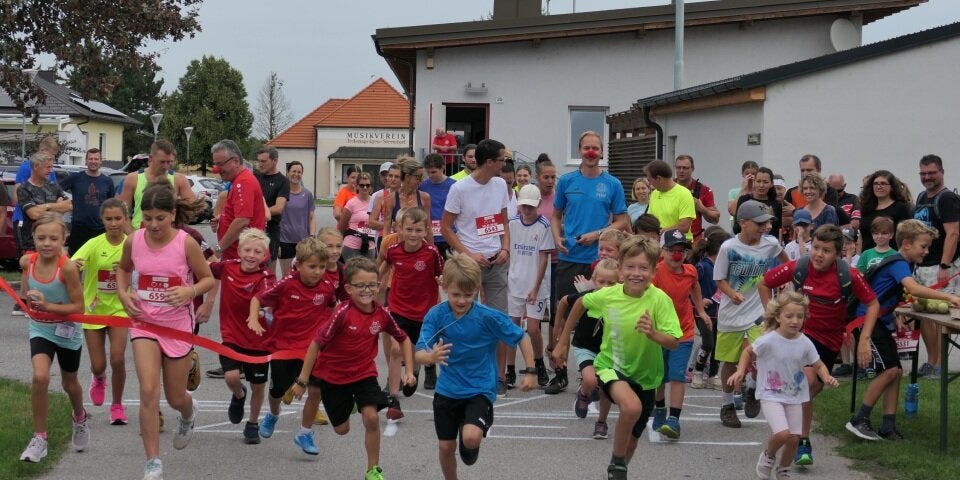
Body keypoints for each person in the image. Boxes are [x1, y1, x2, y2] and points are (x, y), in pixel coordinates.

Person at [116, 183, 214, 480]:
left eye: (160, 217)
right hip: (145, 324)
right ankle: (153, 462)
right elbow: (123, 269)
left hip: (177, 327)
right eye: (147, 218)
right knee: (148, 391)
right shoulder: (134, 240)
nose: (153, 225)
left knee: (174, 397)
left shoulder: (186, 243)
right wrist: (123, 294)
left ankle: (188, 412)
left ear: (173, 214)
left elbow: (208, 278)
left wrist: (190, 291)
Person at [761, 224, 878, 466]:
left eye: (826, 250)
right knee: (808, 382)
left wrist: (864, 338)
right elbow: (764, 283)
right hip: (802, 335)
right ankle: (803, 441)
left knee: (810, 388)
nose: (818, 254)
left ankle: (782, 404)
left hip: (831, 341)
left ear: (837, 254)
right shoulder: (800, 267)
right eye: (815, 247)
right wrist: (771, 318)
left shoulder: (849, 275)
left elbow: (873, 303)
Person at [290, 257, 416, 480]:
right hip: (333, 376)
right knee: (342, 430)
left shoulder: (382, 314)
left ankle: (373, 470)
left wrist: (409, 371)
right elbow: (316, 344)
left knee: (372, 418)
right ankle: (351, 404)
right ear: (348, 288)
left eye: (372, 285)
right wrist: (302, 380)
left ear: (379, 285)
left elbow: (403, 339)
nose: (367, 290)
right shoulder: (342, 313)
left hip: (363, 373)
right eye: (360, 286)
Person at [415, 253, 538, 480]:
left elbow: (522, 337)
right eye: (455, 295)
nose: (461, 301)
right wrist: (431, 358)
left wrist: (530, 371)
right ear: (444, 287)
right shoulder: (437, 315)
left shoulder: (488, 316)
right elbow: (419, 352)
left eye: (468, 295)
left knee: (471, 438)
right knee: (445, 448)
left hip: (480, 387)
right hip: (448, 389)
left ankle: (470, 434)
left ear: (478, 289)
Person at [572, 236, 682, 480]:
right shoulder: (609, 294)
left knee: (632, 439)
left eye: (643, 268)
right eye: (630, 267)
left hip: (647, 377)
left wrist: (653, 333)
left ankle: (618, 467)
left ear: (654, 271)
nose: (636, 273)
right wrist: (560, 345)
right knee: (631, 407)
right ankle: (618, 463)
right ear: (620, 268)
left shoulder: (660, 300)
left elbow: (674, 342)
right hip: (611, 366)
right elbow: (581, 302)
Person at [847, 220, 960, 441]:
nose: (927, 251)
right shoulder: (899, 262)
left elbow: (893, 292)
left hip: (880, 321)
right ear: (907, 244)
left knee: (896, 372)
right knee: (890, 371)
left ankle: (888, 426)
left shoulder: (902, 263)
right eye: (924, 246)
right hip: (866, 321)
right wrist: (950, 297)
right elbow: (914, 288)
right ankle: (859, 419)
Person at [728, 292, 838, 480]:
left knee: (795, 439)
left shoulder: (804, 342)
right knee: (782, 434)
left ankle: (783, 470)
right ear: (778, 317)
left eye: (800, 316)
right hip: (771, 394)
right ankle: (767, 457)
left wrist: (827, 377)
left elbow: (818, 364)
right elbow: (748, 352)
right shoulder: (769, 339)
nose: (795, 321)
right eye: (789, 316)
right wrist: (740, 371)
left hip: (795, 395)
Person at [550, 131, 628, 392]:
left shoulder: (613, 184)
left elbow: (621, 220)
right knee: (561, 314)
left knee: (598, 319)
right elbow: (555, 215)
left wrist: (597, 234)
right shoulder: (567, 181)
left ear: (602, 152)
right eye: (586, 148)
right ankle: (558, 371)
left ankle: (592, 372)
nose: (591, 152)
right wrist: (557, 236)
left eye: (595, 148)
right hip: (570, 257)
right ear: (580, 151)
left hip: (600, 262)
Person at [248, 237, 336, 452]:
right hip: (283, 347)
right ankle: (273, 414)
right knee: (278, 390)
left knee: (315, 390)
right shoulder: (287, 283)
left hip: (311, 348)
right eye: (312, 266)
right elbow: (258, 299)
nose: (317, 271)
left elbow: (333, 309)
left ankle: (305, 433)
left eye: (322, 267)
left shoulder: (326, 288)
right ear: (299, 265)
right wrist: (253, 318)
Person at [441, 138, 512, 395]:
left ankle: (499, 376)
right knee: (464, 319)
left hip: (497, 260)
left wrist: (505, 248)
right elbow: (446, 227)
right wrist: (468, 255)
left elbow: (503, 221)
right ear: (490, 162)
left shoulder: (500, 184)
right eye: (502, 159)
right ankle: (463, 372)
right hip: (470, 264)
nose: (505, 164)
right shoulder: (460, 189)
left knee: (499, 320)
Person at [18, 212, 87, 463]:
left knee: (70, 384)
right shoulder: (28, 261)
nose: (47, 243)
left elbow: (79, 307)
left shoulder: (67, 267)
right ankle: (39, 438)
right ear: (33, 238)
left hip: (67, 330)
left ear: (64, 240)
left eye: (53, 238)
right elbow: (25, 283)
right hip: (41, 328)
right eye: (41, 238)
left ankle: (79, 417)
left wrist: (49, 306)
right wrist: (27, 296)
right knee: (40, 376)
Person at [715, 200, 789, 429]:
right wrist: (732, 293)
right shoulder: (729, 247)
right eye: (758, 223)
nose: (763, 227)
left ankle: (751, 390)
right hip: (731, 313)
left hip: (759, 312)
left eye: (766, 223)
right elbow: (719, 279)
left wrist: (783, 283)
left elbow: (787, 264)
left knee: (760, 356)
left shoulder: (770, 245)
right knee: (730, 361)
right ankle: (727, 405)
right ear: (742, 223)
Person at [209, 228, 276, 444]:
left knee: (259, 386)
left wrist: (256, 315)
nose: (251, 255)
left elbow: (264, 297)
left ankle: (253, 423)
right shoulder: (227, 267)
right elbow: (202, 268)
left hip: (259, 339)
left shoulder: (266, 277)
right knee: (231, 377)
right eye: (247, 250)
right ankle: (238, 395)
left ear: (265, 255)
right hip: (231, 335)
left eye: (258, 252)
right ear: (239, 250)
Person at [379, 208, 443, 420]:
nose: (413, 234)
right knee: (397, 349)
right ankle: (394, 399)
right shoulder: (394, 250)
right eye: (409, 230)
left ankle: (413, 373)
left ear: (426, 231)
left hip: (424, 310)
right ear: (399, 229)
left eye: (418, 230)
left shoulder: (432, 253)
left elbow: (441, 276)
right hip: (398, 307)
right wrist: (371, 284)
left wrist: (444, 285)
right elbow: (384, 268)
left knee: (415, 352)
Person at [71, 198, 129, 426]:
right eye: (109, 219)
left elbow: (144, 272)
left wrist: (127, 269)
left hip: (119, 310)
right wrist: (72, 266)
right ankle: (99, 379)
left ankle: (117, 405)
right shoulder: (94, 244)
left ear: (125, 219)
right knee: (99, 364)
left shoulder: (131, 245)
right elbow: (73, 263)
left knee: (118, 358)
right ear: (102, 220)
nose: (114, 224)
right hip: (94, 308)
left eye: (118, 219)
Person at [650, 229, 712, 439]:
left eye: (681, 251)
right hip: (659, 332)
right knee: (659, 376)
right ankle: (659, 408)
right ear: (663, 252)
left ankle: (674, 419)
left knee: (677, 375)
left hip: (683, 331)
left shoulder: (691, 271)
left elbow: (695, 289)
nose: (677, 255)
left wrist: (701, 311)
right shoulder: (656, 273)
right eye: (672, 250)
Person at [550, 259, 620, 438]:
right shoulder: (589, 297)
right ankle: (583, 393)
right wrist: (559, 337)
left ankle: (601, 422)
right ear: (594, 280)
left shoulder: (622, 301)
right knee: (590, 380)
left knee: (606, 389)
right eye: (601, 282)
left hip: (610, 350)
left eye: (611, 283)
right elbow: (565, 302)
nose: (605, 287)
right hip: (585, 346)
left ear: (619, 282)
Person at [913, 154, 960, 379]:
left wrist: (944, 263)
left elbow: (953, 233)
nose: (927, 177)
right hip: (922, 266)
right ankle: (931, 361)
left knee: (940, 315)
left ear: (941, 172)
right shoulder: (922, 196)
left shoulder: (947, 198)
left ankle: (941, 364)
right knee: (923, 315)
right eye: (923, 173)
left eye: (931, 173)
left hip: (940, 266)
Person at [504, 185, 555, 387]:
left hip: (536, 286)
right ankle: (509, 370)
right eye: (524, 205)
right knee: (512, 328)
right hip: (515, 284)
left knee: (533, 329)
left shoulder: (544, 226)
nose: (527, 209)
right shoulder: (513, 224)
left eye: (531, 206)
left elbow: (543, 260)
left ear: (539, 205)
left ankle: (538, 363)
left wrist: (535, 288)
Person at [118, 139, 196, 231]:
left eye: (170, 162)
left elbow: (192, 209)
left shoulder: (179, 180)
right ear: (150, 159)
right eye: (162, 162)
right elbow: (122, 213)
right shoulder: (133, 178)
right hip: (140, 233)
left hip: (168, 235)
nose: (166, 166)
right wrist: (133, 237)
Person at [689, 227, 731, 390]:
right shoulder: (702, 267)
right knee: (708, 343)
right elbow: (691, 286)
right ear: (719, 248)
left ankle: (713, 375)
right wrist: (700, 300)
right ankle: (698, 373)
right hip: (703, 313)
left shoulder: (725, 268)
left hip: (720, 313)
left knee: (718, 346)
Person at [211, 140, 267, 261]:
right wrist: (223, 220)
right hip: (238, 258)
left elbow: (242, 221)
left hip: (243, 261)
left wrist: (218, 250)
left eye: (220, 164)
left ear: (236, 161)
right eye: (215, 164)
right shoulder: (238, 181)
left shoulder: (243, 182)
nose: (216, 169)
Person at [59, 148, 116, 254]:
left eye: (96, 159)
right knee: (76, 262)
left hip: (100, 229)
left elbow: (111, 205)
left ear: (100, 161)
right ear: (86, 161)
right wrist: (66, 200)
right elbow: (57, 189)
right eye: (90, 159)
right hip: (79, 228)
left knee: (98, 260)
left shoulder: (107, 181)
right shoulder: (76, 178)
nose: (93, 161)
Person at [782, 154, 849, 229]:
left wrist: (795, 212)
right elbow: (784, 220)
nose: (805, 173)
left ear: (819, 170)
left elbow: (827, 215)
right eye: (802, 170)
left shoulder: (829, 191)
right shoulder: (792, 192)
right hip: (796, 238)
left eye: (809, 170)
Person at [254, 147, 290, 275]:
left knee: (268, 272)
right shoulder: (255, 177)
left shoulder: (283, 181)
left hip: (270, 231)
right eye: (259, 161)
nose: (260, 164)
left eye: (263, 161)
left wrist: (257, 214)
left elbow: (279, 208)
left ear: (274, 161)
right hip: (252, 229)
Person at [277, 161, 316, 277]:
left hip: (303, 242)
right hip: (284, 241)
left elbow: (312, 217)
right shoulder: (280, 193)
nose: (296, 174)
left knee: (303, 275)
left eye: (299, 172)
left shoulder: (307, 194)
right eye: (293, 171)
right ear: (287, 173)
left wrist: (312, 236)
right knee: (287, 276)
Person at [858, 170, 912, 252]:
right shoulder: (866, 208)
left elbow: (907, 236)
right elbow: (862, 237)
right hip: (869, 259)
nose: (879, 186)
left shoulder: (901, 208)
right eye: (876, 183)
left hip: (892, 258)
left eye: (883, 183)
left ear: (892, 187)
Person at [380, 157, 431, 240]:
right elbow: (386, 228)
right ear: (407, 177)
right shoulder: (391, 198)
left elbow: (428, 227)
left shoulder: (425, 197)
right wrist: (385, 249)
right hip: (399, 246)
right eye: (418, 177)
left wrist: (432, 250)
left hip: (419, 247)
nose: (421, 180)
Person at [645, 159, 695, 240]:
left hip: (678, 245)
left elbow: (685, 226)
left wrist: (663, 231)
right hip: (657, 243)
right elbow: (650, 220)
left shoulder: (684, 194)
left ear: (659, 179)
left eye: (649, 180)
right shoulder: (654, 194)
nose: (649, 184)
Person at [674, 155, 720, 242]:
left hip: (694, 241)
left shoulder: (703, 190)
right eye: (678, 168)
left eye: (685, 168)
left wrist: (702, 208)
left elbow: (715, 219)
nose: (681, 171)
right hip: (670, 239)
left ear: (692, 169)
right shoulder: (668, 187)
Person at [420, 153, 456, 259]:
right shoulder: (423, 186)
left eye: (433, 172)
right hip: (430, 236)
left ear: (442, 168)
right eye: (428, 172)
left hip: (449, 236)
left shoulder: (454, 186)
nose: (430, 175)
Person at [734, 167, 783, 241]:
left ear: (771, 184)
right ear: (754, 182)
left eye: (765, 182)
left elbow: (777, 229)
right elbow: (737, 226)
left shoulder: (776, 204)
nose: (761, 185)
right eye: (758, 181)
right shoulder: (744, 199)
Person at [339, 172, 377, 260]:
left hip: (369, 244)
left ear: (371, 187)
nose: (365, 187)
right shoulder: (351, 203)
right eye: (362, 185)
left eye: (368, 185)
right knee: (352, 273)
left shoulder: (375, 202)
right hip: (352, 245)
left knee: (368, 272)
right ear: (357, 186)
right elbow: (342, 226)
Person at [727, 161, 760, 228]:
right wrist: (743, 190)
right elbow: (732, 212)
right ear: (742, 174)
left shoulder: (760, 191)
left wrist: (755, 190)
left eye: (753, 174)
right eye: (747, 174)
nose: (750, 177)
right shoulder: (733, 192)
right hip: (738, 230)